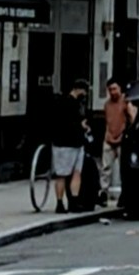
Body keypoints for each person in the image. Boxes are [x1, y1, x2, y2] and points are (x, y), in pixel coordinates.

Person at [98, 77, 137, 213]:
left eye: (114, 89)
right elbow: (107, 121)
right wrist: (107, 135)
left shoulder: (126, 101)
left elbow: (132, 118)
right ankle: (103, 193)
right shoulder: (107, 105)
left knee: (123, 169)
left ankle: (125, 194)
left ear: (120, 89)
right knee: (105, 168)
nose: (112, 92)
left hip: (122, 139)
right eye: (110, 90)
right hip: (109, 138)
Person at [50, 82, 88, 214]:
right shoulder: (74, 105)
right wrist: (82, 126)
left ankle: (60, 203)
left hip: (62, 143)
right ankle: (73, 202)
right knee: (75, 173)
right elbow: (75, 123)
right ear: (79, 90)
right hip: (71, 142)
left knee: (62, 174)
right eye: (84, 91)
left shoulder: (59, 103)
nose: (85, 94)